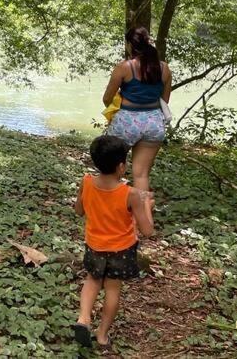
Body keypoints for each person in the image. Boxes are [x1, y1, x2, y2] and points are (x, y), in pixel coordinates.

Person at [72, 135, 155, 348]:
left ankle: (83, 319)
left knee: (92, 280)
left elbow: (79, 211)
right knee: (112, 289)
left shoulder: (87, 182)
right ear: (120, 166)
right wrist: (147, 205)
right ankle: (101, 335)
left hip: (94, 245)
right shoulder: (131, 194)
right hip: (121, 250)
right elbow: (147, 230)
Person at [102, 26, 172, 193]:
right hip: (154, 123)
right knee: (141, 175)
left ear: (129, 44)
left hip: (126, 122)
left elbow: (106, 100)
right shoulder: (164, 68)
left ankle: (111, 208)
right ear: (147, 42)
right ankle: (142, 216)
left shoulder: (124, 67)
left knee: (112, 170)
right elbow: (165, 100)